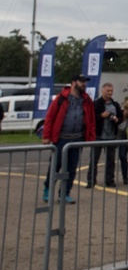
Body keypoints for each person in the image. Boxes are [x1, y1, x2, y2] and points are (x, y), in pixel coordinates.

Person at [41, 74, 97, 204]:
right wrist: (46, 136)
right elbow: (50, 117)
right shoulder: (62, 98)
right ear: (73, 82)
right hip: (61, 139)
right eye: (81, 81)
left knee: (71, 168)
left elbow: (91, 120)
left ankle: (65, 193)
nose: (84, 84)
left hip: (77, 139)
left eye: (85, 82)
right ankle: (47, 190)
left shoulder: (87, 100)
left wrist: (90, 138)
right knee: (55, 166)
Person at [86, 82, 120, 188]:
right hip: (99, 135)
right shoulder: (96, 104)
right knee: (94, 159)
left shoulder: (115, 105)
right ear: (102, 90)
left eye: (111, 91)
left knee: (111, 160)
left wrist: (116, 119)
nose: (110, 93)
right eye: (107, 90)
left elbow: (120, 117)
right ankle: (91, 180)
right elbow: (91, 118)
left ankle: (109, 180)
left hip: (111, 136)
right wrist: (101, 115)